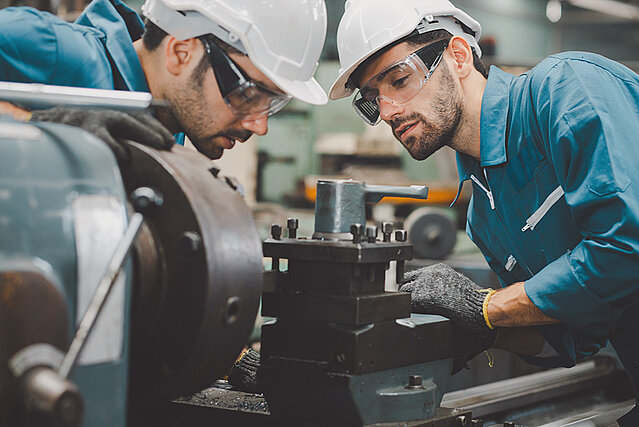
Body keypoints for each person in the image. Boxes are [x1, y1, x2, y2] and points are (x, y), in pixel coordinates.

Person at [329, 0, 639, 424]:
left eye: (399, 79)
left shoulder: (565, 89)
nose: (387, 112)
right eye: (371, 100)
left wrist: (487, 307)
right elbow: (569, 339)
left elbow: (626, 247)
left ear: (458, 56)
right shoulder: (485, 218)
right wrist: (469, 329)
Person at [0, 0, 328, 161]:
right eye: (248, 95)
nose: (260, 127)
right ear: (181, 53)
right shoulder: (53, 48)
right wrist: (33, 122)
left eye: (270, 104)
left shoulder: (169, 118)